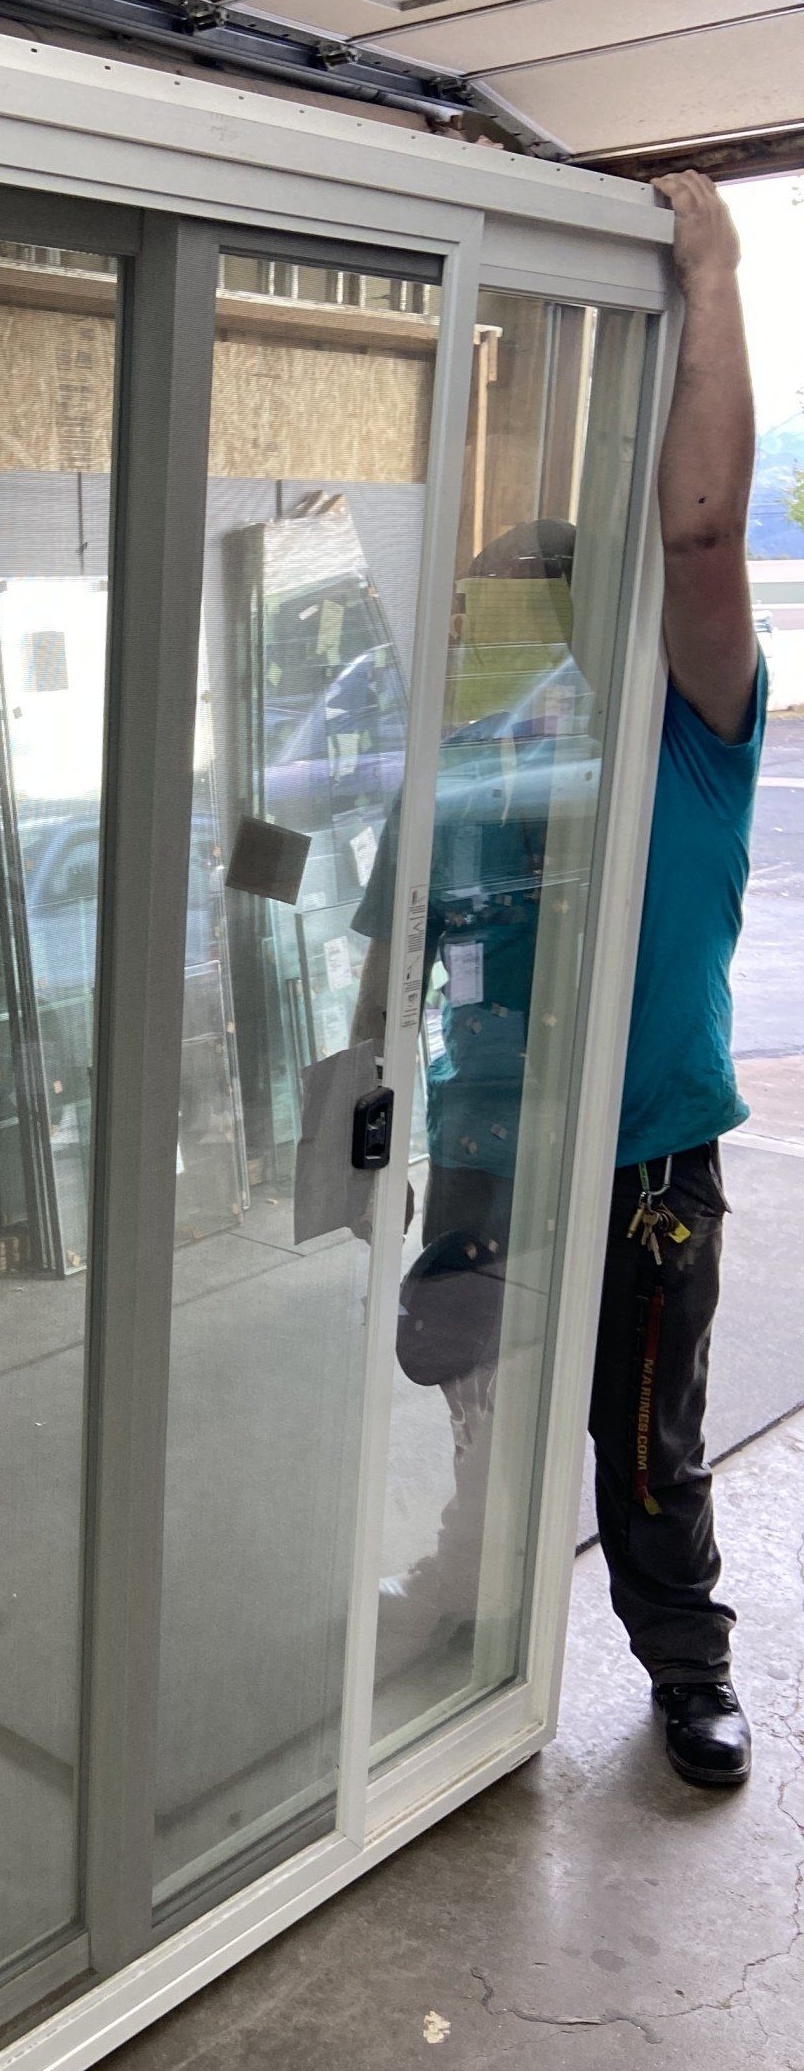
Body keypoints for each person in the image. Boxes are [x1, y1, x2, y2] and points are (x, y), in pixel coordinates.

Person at [353, 170, 764, 1788]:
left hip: (646, 1149)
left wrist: (715, 269)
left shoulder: (689, 739)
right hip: (493, 1140)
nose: (484, 651)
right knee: (473, 1392)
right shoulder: (466, 774)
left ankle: (688, 1668)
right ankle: (476, 1605)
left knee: (642, 1449)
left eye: (512, 625)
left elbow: (704, 528)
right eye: (474, 629)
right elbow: (390, 946)